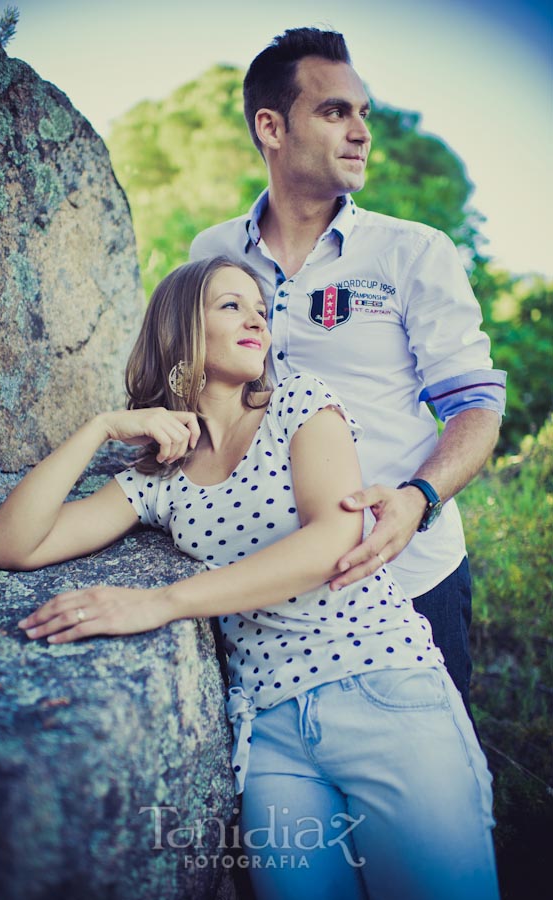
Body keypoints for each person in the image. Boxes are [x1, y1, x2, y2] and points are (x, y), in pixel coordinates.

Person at [0, 257, 499, 900]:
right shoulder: (157, 479)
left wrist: (162, 604)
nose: (256, 315)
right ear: (180, 330)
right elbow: (10, 545)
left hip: (379, 685)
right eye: (231, 305)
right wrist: (101, 428)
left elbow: (330, 544)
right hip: (271, 732)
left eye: (260, 306)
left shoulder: (302, 405)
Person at [189, 27, 507, 714]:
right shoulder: (209, 252)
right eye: (334, 111)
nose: (360, 131)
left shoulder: (413, 252)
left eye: (362, 112)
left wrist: (418, 499)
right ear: (270, 127)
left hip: (409, 576)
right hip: (261, 587)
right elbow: (198, 391)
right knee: (282, 792)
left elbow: (476, 405)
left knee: (426, 803)